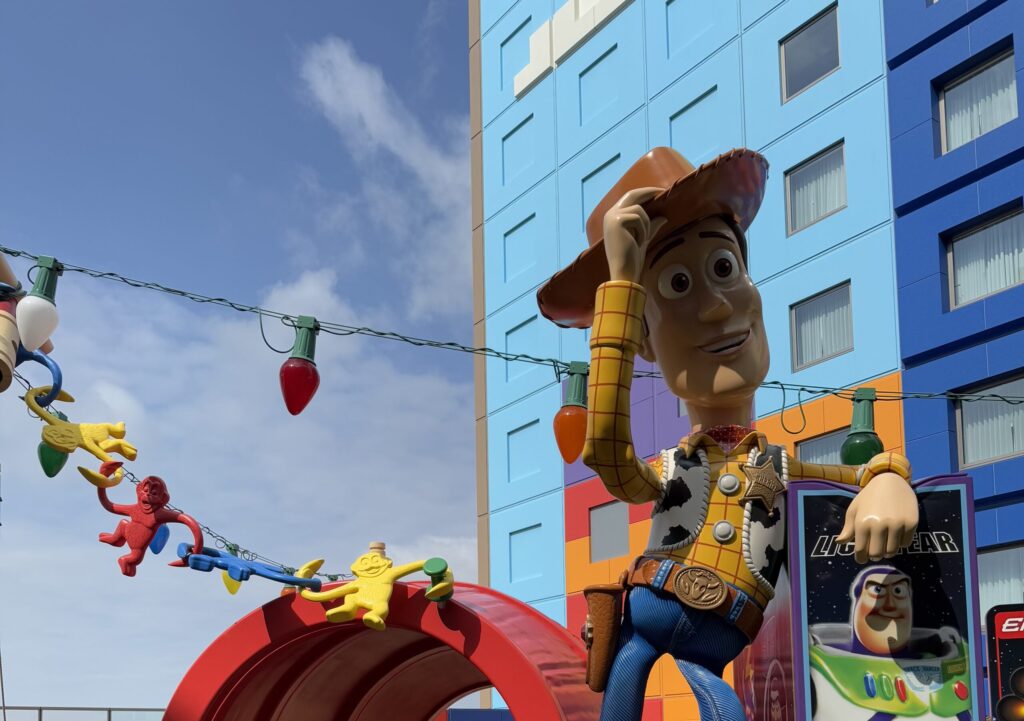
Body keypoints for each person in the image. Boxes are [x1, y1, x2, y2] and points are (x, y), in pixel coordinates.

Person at [536, 146, 920, 721]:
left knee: (716, 701)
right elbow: (609, 455)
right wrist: (621, 286)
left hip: (721, 624)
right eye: (676, 284)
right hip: (648, 605)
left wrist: (888, 478)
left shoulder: (781, 468)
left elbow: (862, 475)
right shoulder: (669, 468)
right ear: (644, 340)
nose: (715, 308)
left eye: (723, 269)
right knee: (627, 679)